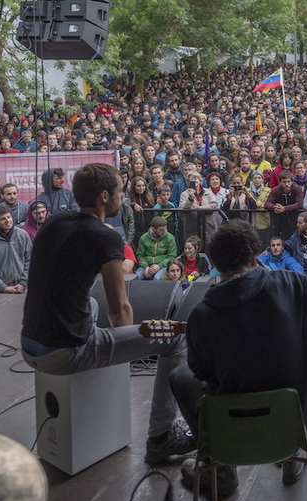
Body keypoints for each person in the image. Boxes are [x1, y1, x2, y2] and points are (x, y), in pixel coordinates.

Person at [169, 219, 307, 496]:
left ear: (215, 262)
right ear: (254, 257)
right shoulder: (291, 282)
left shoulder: (200, 315)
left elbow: (202, 375)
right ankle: (293, 452)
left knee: (179, 377)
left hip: (233, 427)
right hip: (296, 417)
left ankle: (220, 467)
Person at [21, 163, 193, 466]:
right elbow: (121, 309)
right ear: (104, 196)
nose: (122, 198)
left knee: (92, 304)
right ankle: (161, 436)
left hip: (29, 344)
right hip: (65, 352)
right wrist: (124, 345)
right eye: (118, 192)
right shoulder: (106, 237)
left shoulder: (53, 222)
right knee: (175, 336)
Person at [0, 206, 32, 294]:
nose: (7, 220)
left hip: (22, 290)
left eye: (9, 217)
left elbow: (30, 260)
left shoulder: (23, 235)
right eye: (2, 219)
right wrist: (3, 288)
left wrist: (23, 283)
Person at [135, 216, 178, 280]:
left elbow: (172, 256)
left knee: (157, 278)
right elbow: (140, 255)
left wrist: (159, 266)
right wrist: (145, 267)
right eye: (161, 230)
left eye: (165, 229)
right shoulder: (144, 238)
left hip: (163, 265)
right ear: (153, 229)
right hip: (147, 264)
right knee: (137, 276)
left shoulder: (170, 238)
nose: (164, 231)